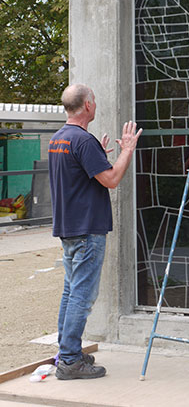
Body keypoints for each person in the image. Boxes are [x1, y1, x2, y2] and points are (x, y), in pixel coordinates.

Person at [48, 83, 142, 380]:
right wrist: (127, 150)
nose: (96, 104)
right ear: (88, 105)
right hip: (87, 230)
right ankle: (71, 361)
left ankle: (66, 353)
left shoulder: (59, 138)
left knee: (70, 291)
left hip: (69, 228)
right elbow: (111, 179)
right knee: (82, 296)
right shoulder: (83, 141)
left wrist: (96, 155)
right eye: (95, 100)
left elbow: (78, 173)